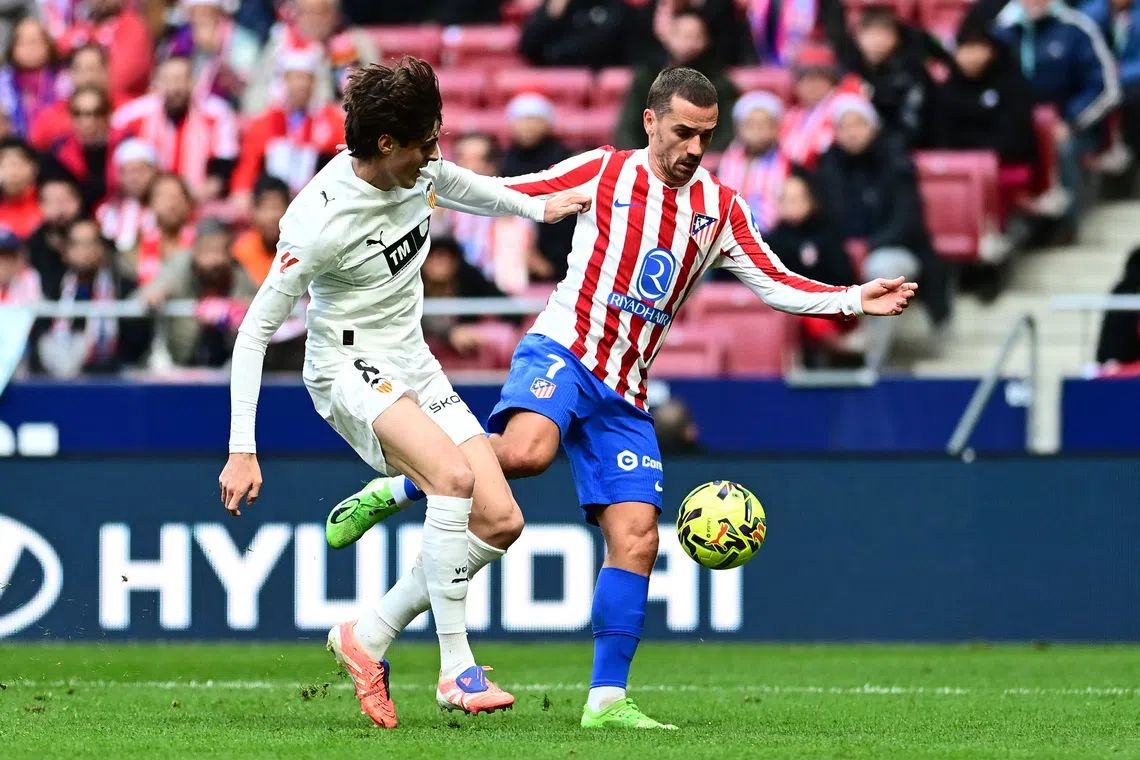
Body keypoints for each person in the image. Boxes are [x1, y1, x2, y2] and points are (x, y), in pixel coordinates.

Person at [326, 66, 916, 730]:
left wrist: (851, 299)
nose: (696, 147)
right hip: (562, 351)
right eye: (684, 132)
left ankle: (606, 702)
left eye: (707, 135)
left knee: (636, 538)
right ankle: (406, 485)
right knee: (524, 454)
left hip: (625, 389)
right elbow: (509, 192)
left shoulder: (720, 209)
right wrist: (415, 179)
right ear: (651, 121)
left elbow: (773, 282)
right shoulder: (604, 173)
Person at [215, 58, 591, 728]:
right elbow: (254, 335)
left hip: (412, 359)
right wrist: (242, 448)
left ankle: (369, 634)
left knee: (501, 521)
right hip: (346, 365)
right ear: (387, 144)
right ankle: (455, 670)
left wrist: (540, 206)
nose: (436, 154)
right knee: (452, 477)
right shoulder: (319, 220)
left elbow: (470, 187)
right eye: (426, 143)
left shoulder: (418, 170)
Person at [812, 94, 951, 329]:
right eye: (844, 127)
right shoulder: (827, 166)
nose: (852, 133)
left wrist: (867, 246)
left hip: (895, 248)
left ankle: (874, 360)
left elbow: (907, 222)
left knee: (881, 273)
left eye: (858, 124)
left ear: (873, 127)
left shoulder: (896, 161)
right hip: (842, 249)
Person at [111, 55, 240, 203]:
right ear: (156, 83)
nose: (174, 88)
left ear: (193, 82)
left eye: (180, 79)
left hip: (199, 202)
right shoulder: (132, 116)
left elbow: (223, 164)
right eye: (168, 80)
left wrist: (200, 195)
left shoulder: (216, 113)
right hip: (148, 202)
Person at [33, 217, 151, 377]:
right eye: (78, 244)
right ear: (66, 252)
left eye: (91, 243)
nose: (85, 251)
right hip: (59, 378)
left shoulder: (123, 287)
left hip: (111, 378)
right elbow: (41, 336)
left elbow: (136, 341)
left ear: (101, 249)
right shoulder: (52, 289)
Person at [142, 217, 258, 367]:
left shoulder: (240, 274)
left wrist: (241, 309)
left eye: (220, 251)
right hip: (180, 362)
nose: (213, 259)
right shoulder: (179, 266)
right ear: (194, 250)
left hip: (229, 364)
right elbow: (150, 291)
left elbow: (260, 306)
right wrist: (155, 294)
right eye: (207, 250)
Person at [617, 9, 738, 152]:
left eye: (695, 36)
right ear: (667, 37)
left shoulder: (719, 84)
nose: (687, 42)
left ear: (706, 40)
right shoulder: (646, 79)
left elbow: (726, 134)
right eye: (682, 35)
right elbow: (627, 129)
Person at [716, 91, 789, 234]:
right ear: (738, 129)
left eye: (764, 123)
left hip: (771, 236)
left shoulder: (786, 161)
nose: (757, 129)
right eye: (750, 124)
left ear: (776, 128)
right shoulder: (730, 157)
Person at [520, 0, 630, 69]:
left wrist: (555, 51)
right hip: (555, 77)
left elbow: (601, 45)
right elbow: (528, 47)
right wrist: (551, 15)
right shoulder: (557, 5)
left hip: (598, 82)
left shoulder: (615, 6)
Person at [0, 17, 60, 138]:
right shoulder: (3, 82)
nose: (30, 48)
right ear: (12, 47)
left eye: (35, 41)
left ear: (48, 45)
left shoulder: (63, 79)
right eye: (23, 43)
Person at [27, 174, 84, 296]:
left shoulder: (97, 242)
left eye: (65, 200)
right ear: (40, 205)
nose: (60, 208)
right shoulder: (31, 246)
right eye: (52, 201)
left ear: (78, 201)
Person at [0, 136, 42, 238]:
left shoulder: (46, 203)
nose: (12, 172)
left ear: (34, 168)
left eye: (17, 164)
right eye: (4, 165)